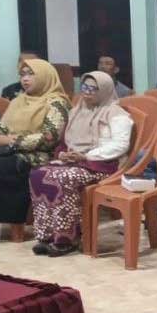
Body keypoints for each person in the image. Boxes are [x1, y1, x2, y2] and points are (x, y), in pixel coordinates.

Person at [0, 58, 70, 246]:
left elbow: (49, 138)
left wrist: (10, 141)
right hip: (8, 150)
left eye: (31, 74)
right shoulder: (18, 101)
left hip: (37, 155)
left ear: (45, 76)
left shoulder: (57, 103)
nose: (25, 79)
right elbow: (2, 128)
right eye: (22, 74)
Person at [27, 71, 132, 257]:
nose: (87, 92)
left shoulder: (116, 114)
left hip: (104, 166)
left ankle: (66, 239)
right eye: (85, 87)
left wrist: (85, 156)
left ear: (105, 90)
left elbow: (120, 145)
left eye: (93, 89)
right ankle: (47, 236)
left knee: (63, 178)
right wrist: (64, 154)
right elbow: (64, 142)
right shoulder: (76, 111)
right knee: (38, 174)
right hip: (76, 162)